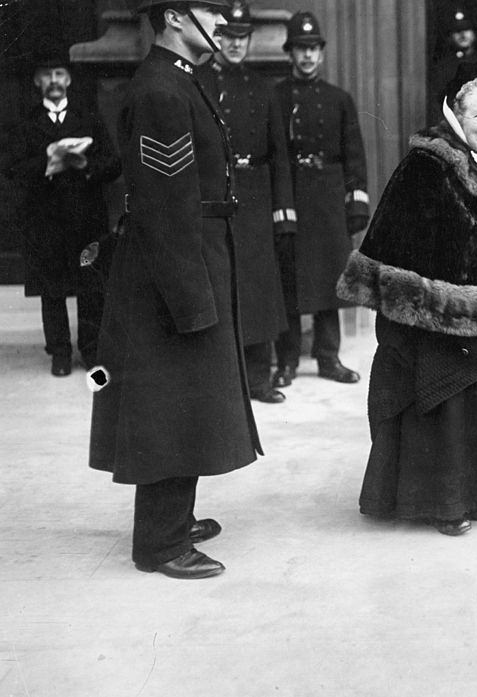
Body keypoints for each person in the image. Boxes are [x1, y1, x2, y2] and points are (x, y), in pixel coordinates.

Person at [89, 0, 261, 580]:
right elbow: (165, 207)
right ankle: (160, 544)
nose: (221, 22)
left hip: (192, 255)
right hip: (174, 266)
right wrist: (189, 296)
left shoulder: (176, 80)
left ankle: (174, 521)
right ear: (173, 17)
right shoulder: (161, 90)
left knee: (187, 397)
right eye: (210, 9)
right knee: (169, 401)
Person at [337, 59, 477, 536]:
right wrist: (435, 305)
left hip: (475, 310)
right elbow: (396, 244)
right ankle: (442, 503)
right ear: (456, 116)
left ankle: (463, 494)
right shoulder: (426, 165)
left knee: (467, 402)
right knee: (439, 400)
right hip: (430, 317)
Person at [198, 1, 295, 404]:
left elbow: (279, 156)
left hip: (255, 195)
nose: (235, 45)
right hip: (214, 195)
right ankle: (223, 380)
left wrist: (283, 211)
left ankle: (258, 378)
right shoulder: (198, 81)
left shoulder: (263, 88)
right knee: (219, 286)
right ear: (215, 37)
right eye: (227, 36)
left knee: (257, 288)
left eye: (242, 37)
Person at [3, 50, 120, 376]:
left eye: (59, 75)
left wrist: (86, 166)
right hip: (46, 220)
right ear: (37, 82)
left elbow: (113, 164)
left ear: (68, 80)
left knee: (90, 287)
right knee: (51, 289)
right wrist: (48, 160)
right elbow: (11, 168)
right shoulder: (27, 123)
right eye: (47, 75)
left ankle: (91, 349)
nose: (53, 81)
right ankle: (59, 352)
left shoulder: (88, 118)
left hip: (86, 218)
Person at [273, 11, 369, 388]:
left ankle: (329, 357)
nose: (308, 55)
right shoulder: (276, 98)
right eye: (301, 48)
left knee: (331, 277)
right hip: (293, 193)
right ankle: (287, 361)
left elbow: (354, 155)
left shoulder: (339, 99)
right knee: (289, 279)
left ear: (322, 53)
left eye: (313, 48)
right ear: (290, 53)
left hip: (328, 198)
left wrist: (355, 203)